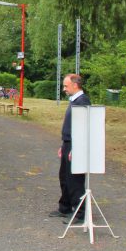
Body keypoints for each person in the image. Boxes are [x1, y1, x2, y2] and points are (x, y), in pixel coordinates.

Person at [49, 73, 91, 223]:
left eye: (66, 86)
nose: (64, 89)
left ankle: (80, 214)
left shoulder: (82, 101)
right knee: (64, 178)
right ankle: (65, 207)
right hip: (68, 143)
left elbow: (83, 128)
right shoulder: (75, 100)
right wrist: (64, 145)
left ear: (75, 85)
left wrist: (76, 148)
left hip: (75, 145)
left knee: (75, 181)